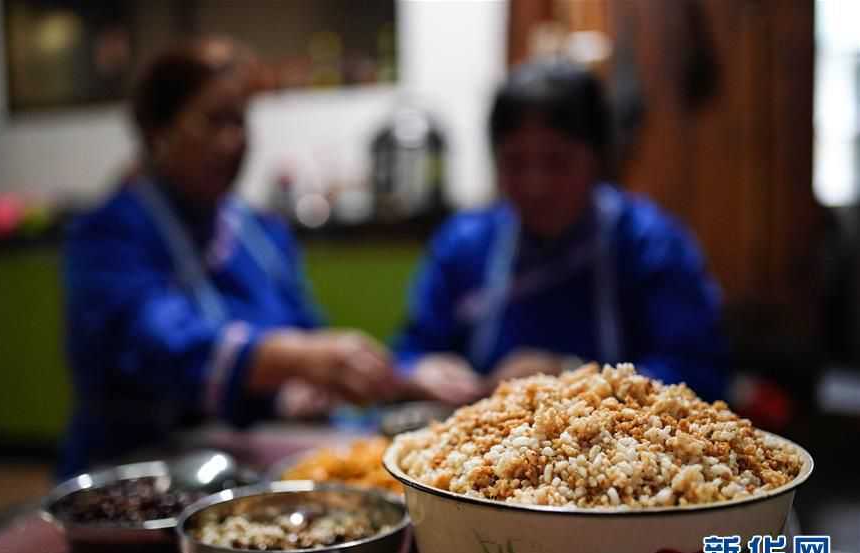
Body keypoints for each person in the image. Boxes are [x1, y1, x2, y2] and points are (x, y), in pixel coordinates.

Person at [59, 38, 397, 477]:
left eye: (240, 121)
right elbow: (159, 344)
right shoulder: (109, 235)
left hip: (247, 464)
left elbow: (306, 330)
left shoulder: (260, 231)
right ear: (157, 131)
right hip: (139, 468)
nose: (233, 140)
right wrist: (295, 360)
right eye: (214, 121)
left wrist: (317, 380)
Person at [395, 58, 727, 405]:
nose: (535, 184)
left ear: (598, 160)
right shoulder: (462, 247)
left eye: (558, 162)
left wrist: (575, 378)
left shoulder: (651, 245)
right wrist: (421, 371)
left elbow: (700, 376)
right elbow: (410, 353)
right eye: (515, 162)